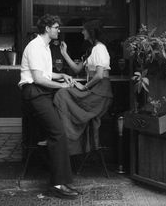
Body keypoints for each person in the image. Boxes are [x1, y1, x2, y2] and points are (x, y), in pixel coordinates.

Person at [18, 14, 79, 199]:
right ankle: (58, 184)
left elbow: (45, 74)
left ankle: (60, 181)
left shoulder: (44, 47)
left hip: (40, 92)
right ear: (47, 29)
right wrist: (61, 85)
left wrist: (62, 76)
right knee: (57, 133)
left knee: (57, 134)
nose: (58, 30)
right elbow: (37, 79)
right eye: (56, 27)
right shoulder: (35, 46)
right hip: (34, 92)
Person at [53, 20, 113, 155]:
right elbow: (77, 69)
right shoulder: (92, 49)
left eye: (84, 30)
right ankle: (67, 137)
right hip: (95, 91)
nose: (82, 32)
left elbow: (99, 76)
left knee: (62, 94)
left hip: (99, 93)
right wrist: (64, 53)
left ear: (91, 32)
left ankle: (66, 137)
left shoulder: (100, 48)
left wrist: (84, 87)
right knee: (62, 94)